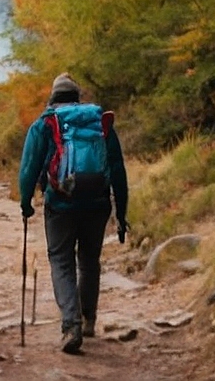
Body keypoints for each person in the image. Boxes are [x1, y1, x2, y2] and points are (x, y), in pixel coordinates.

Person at [17, 73, 128, 354]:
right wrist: (122, 214)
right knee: (89, 261)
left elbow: (29, 168)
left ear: (53, 97)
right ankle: (89, 319)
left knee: (62, 261)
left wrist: (25, 202)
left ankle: (71, 325)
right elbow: (117, 168)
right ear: (77, 97)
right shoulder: (98, 123)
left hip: (60, 204)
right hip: (97, 203)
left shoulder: (45, 124)